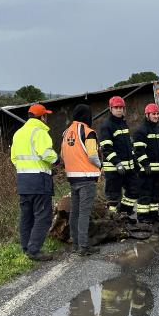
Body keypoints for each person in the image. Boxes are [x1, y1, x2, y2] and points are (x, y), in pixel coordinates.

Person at [10, 103, 58, 261]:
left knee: (27, 216)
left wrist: (25, 169)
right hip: (39, 180)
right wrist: (57, 159)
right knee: (43, 216)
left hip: (23, 180)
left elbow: (14, 158)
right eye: (46, 116)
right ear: (42, 117)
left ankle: (26, 247)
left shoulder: (18, 133)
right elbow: (45, 153)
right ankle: (34, 250)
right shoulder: (41, 132)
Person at [61, 104, 101, 256]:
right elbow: (92, 155)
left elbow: (63, 155)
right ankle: (84, 246)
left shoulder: (66, 132)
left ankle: (76, 243)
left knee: (75, 212)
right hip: (86, 178)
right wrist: (100, 165)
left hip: (72, 178)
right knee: (84, 213)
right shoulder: (88, 132)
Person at [99, 96, 139, 219]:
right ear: (110, 109)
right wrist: (117, 163)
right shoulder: (106, 126)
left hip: (128, 167)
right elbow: (106, 148)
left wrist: (135, 161)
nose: (119, 110)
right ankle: (112, 220)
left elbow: (128, 146)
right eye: (116, 107)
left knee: (134, 191)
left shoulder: (123, 123)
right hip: (113, 169)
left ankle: (123, 214)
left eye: (121, 107)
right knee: (113, 197)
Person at [133, 103, 159, 224]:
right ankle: (143, 217)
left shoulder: (158, 130)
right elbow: (139, 150)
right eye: (153, 114)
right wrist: (145, 164)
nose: (156, 116)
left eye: (157, 114)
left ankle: (153, 215)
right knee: (145, 194)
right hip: (146, 171)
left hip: (157, 170)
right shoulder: (141, 131)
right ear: (147, 115)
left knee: (156, 194)